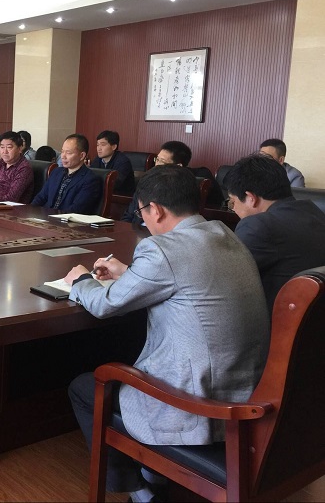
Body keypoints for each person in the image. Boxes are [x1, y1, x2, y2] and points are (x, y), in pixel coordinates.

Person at [64, 165, 269, 503]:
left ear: (155, 210)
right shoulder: (224, 233)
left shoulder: (162, 249)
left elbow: (103, 304)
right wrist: (129, 273)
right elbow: (187, 282)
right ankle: (152, 473)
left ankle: (143, 493)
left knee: (86, 387)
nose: (144, 221)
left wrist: (82, 280)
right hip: (245, 395)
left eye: (141, 213)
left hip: (198, 405)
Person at [225, 153, 325, 312]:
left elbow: (225, 279)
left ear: (251, 198)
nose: (233, 208)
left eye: (233, 202)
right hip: (313, 321)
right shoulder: (315, 212)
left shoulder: (258, 226)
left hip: (275, 320)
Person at [121, 140, 192, 224]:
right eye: (157, 159)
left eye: (162, 161)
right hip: (136, 229)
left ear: (178, 166)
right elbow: (128, 216)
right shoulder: (146, 182)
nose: (157, 165)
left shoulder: (183, 191)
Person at [32, 134, 101, 213]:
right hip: (45, 217)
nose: (63, 156)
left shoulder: (90, 180)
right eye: (62, 151)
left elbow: (76, 209)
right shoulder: (56, 172)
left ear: (82, 156)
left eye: (68, 153)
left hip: (65, 219)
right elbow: (40, 198)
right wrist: (29, 212)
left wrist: (51, 217)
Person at [0, 130, 34, 203]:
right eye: (2, 147)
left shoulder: (24, 169)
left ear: (20, 148)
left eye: (9, 147)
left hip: (10, 208)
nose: (4, 152)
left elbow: (12, 197)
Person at [90, 130, 135, 195]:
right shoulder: (98, 159)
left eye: (103, 145)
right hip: (103, 195)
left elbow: (114, 184)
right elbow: (90, 177)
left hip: (121, 198)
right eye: (97, 145)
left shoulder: (123, 161)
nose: (99, 148)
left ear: (114, 147)